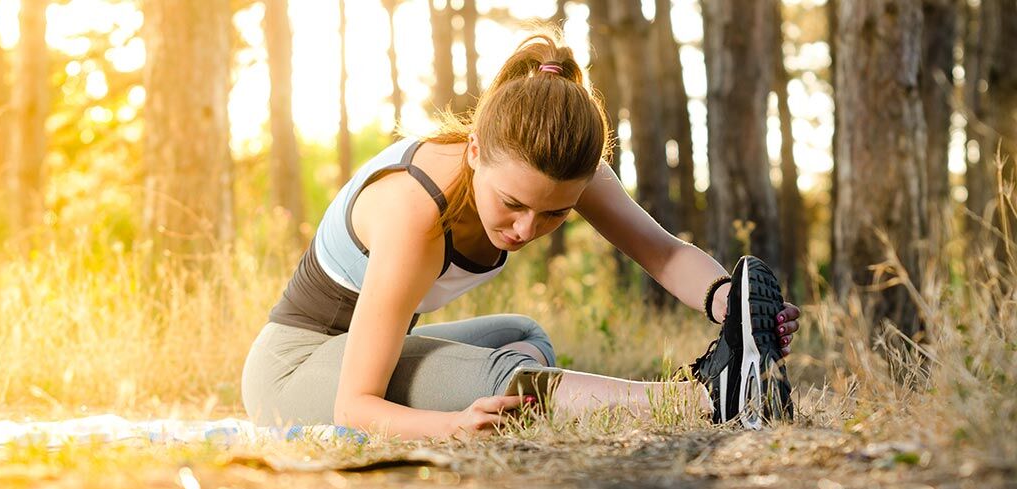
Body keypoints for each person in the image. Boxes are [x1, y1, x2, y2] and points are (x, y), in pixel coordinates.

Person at [241, 32, 801, 439]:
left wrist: (732, 305)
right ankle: (703, 401)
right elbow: (353, 406)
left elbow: (664, 253)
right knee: (508, 380)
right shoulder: (415, 211)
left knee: (523, 333)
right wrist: (449, 424)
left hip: (363, 353)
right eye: (512, 204)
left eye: (555, 214)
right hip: (293, 373)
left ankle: (729, 383)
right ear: (476, 151)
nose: (527, 229)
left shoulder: (559, 167)